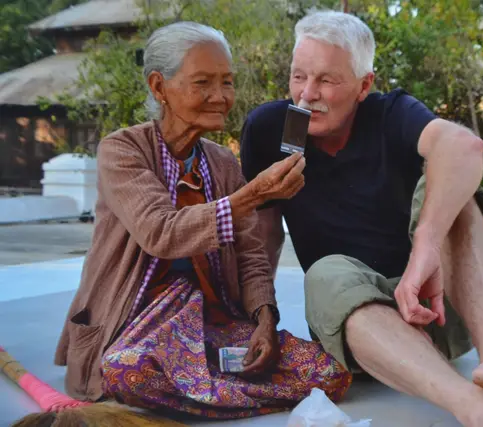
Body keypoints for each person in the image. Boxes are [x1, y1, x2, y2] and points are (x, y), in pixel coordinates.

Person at [240, 10, 483, 427]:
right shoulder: (270, 129)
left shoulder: (391, 113)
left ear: (364, 86)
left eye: (327, 79)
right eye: (298, 76)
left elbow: (465, 147)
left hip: (435, 310)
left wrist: (425, 251)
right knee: (323, 273)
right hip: (358, 326)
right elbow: (263, 236)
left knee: (453, 191)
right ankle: (475, 406)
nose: (307, 94)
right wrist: (260, 315)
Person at [52, 21, 352, 420]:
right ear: (159, 87)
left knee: (327, 373)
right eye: (203, 83)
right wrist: (253, 196)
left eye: (226, 82)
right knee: (128, 372)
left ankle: (203, 384)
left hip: (213, 321)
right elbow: (161, 232)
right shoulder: (122, 151)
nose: (220, 96)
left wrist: (264, 319)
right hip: (138, 326)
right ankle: (207, 381)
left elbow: (251, 255)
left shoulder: (222, 162)